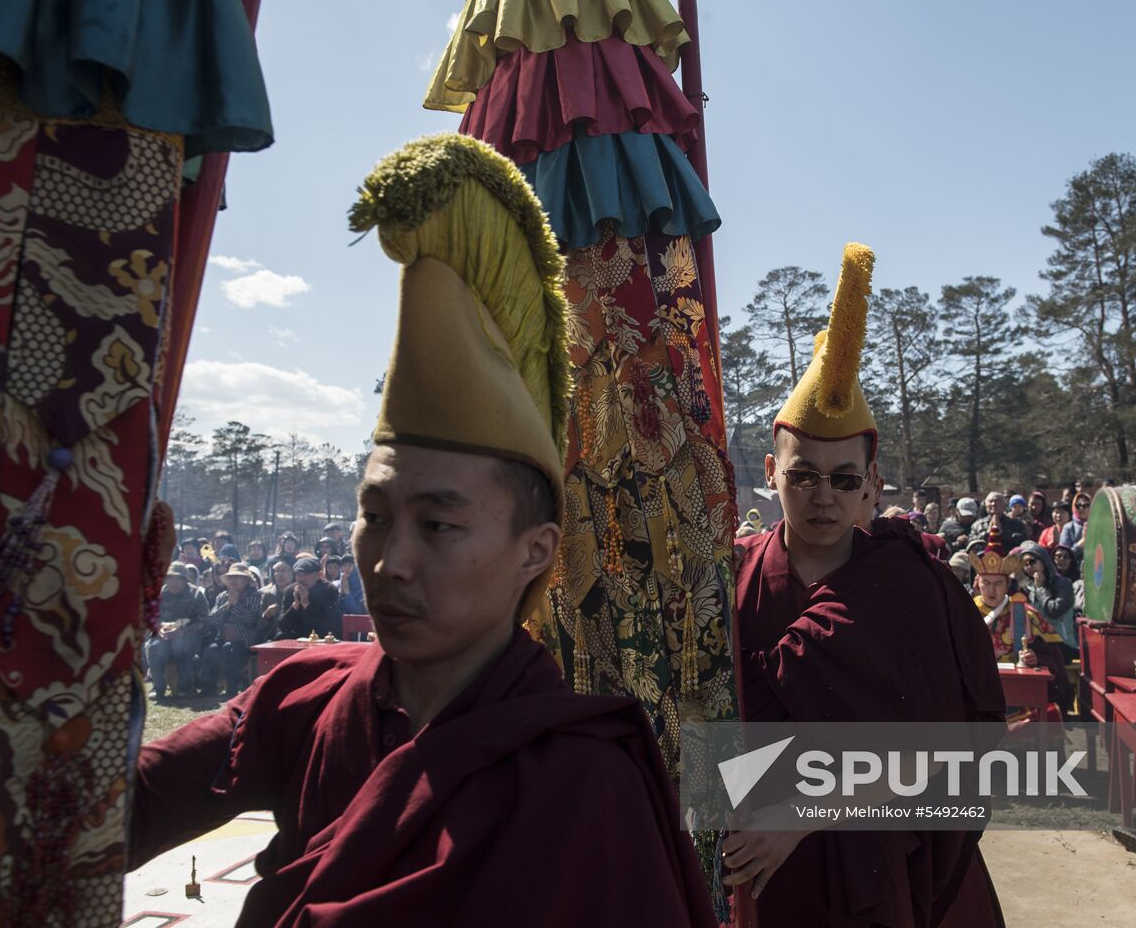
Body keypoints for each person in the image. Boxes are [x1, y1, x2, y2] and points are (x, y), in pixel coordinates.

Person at [130, 134, 715, 926]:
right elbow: (113, 805)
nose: (390, 561)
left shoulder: (581, 782)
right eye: (374, 517)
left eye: (438, 524)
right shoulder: (305, 700)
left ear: (535, 551)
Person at [729, 242, 1005, 928]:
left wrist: (804, 813)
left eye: (844, 479)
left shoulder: (912, 589)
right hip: (762, 881)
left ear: (873, 486)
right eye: (803, 476)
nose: (824, 497)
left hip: (891, 876)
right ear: (771, 470)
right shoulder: (732, 582)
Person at [970, 525, 1072, 709]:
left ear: (1008, 583)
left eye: (998, 583)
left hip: (1017, 695)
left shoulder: (1025, 613)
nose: (992, 590)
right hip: (977, 690)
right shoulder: (965, 613)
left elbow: (1053, 660)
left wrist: (1035, 658)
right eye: (987, 583)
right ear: (978, 583)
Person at [199, 563, 267, 697]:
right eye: (232, 578)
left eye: (239, 577)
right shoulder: (222, 596)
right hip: (222, 637)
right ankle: (210, 688)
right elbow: (212, 619)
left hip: (244, 640)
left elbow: (250, 620)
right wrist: (228, 605)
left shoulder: (256, 595)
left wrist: (236, 604)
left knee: (229, 648)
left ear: (247, 580)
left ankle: (232, 689)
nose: (235, 581)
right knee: (211, 649)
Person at [147, 562, 210, 702]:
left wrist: (183, 632)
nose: (173, 583)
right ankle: (158, 689)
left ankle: (185, 689)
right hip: (165, 635)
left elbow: (205, 622)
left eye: (178, 579)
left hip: (190, 637)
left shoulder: (196, 594)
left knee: (181, 647)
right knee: (155, 648)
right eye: (170, 579)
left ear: (185, 580)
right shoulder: (160, 594)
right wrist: (158, 629)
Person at [1018, 541, 1078, 656]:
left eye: (1032, 561)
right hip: (1038, 642)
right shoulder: (1027, 586)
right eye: (1025, 564)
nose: (1029, 566)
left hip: (1062, 644)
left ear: (1044, 561)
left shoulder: (1064, 584)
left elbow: (1054, 611)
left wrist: (1040, 588)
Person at [275, 557, 342, 640]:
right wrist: (295, 606)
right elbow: (282, 625)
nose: (301, 579)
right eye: (298, 575)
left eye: (305, 575)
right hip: (296, 637)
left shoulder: (330, 590)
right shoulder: (289, 591)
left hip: (321, 638)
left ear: (318, 575)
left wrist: (306, 604)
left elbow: (328, 624)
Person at [1059, 491, 1091, 562]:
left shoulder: (1097, 525)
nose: (1081, 508)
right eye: (1078, 505)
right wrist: (1080, 544)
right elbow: (1063, 555)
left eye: (1086, 505)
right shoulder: (1068, 527)